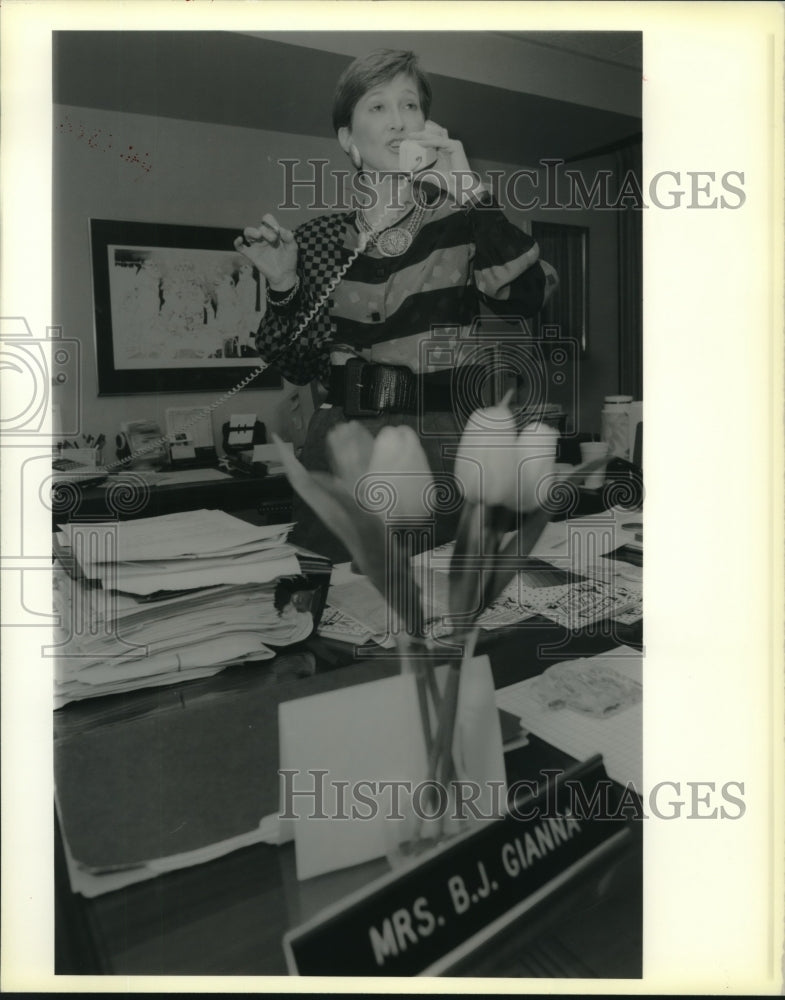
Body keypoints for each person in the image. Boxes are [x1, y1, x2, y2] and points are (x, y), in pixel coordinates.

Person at [236, 49, 558, 562]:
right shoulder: (319, 240)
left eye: (410, 105)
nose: (398, 120)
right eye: (378, 107)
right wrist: (283, 285)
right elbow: (293, 361)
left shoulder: (461, 221)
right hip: (340, 446)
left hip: (437, 444)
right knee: (332, 599)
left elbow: (530, 295)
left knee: (433, 610)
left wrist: (470, 192)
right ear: (349, 139)